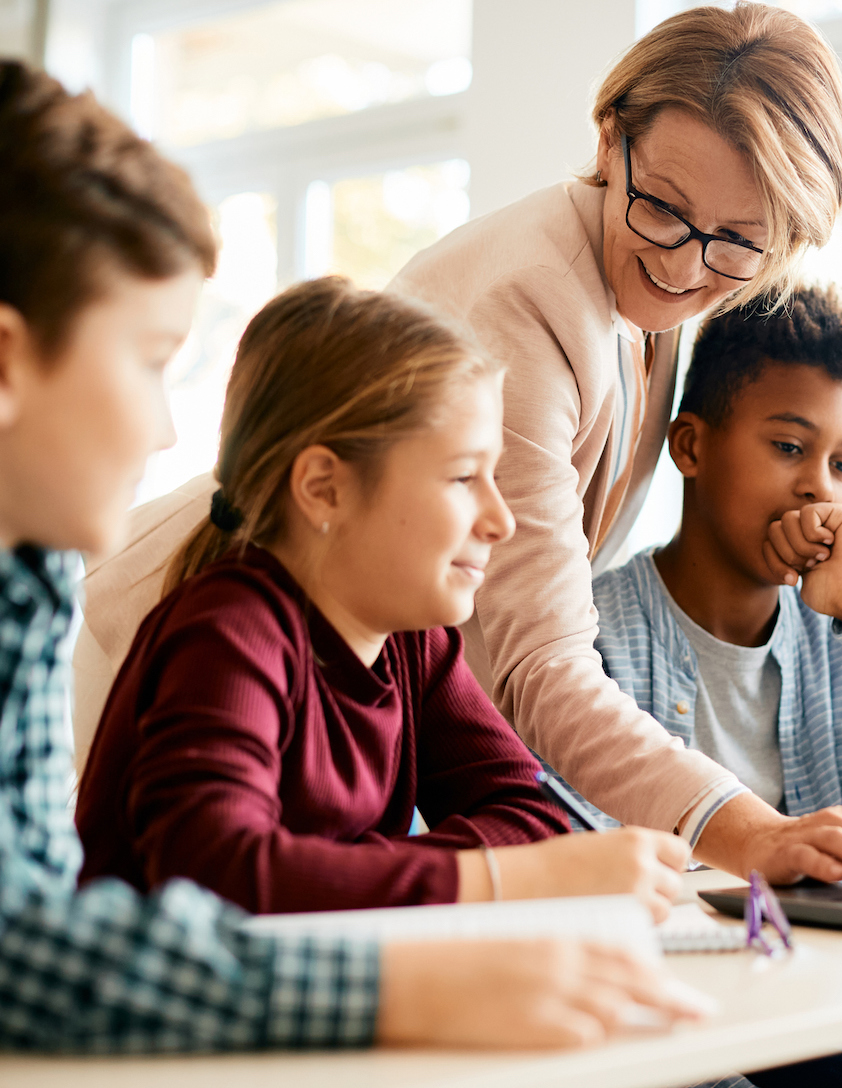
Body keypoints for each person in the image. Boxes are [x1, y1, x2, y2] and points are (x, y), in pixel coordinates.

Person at [73, 2, 842, 893]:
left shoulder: (425, 641)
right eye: (663, 211)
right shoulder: (527, 303)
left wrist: (433, 872)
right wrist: (745, 831)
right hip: (251, 654)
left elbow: (519, 803)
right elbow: (541, 666)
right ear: (611, 142)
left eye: (736, 243)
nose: (683, 269)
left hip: (369, 651)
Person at [0, 58, 695, 1051]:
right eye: (152, 361)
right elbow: (164, 901)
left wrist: (357, 877)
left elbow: (28, 942)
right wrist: (441, 932)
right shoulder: (226, 626)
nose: (164, 434)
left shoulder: (25, 586)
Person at [75, 277, 690, 920]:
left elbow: (533, 819)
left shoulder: (411, 639)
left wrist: (334, 871)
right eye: (461, 477)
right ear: (324, 488)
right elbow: (217, 878)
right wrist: (498, 877)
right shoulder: (227, 633)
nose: (500, 520)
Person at [573, 286, 842, 1088]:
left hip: (823, 1042)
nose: (822, 489)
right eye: (788, 447)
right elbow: (583, 888)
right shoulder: (589, 640)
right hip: (666, 1051)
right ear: (690, 445)